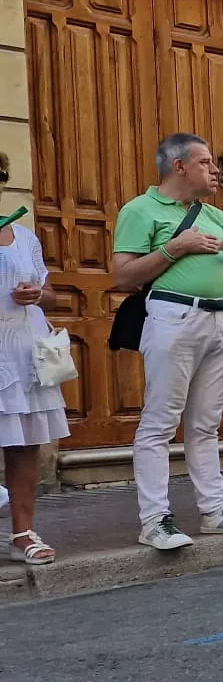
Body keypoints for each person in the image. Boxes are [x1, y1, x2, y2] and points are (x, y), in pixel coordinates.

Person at [112, 133, 223, 550]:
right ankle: (154, 520)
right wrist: (175, 248)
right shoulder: (139, 210)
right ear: (179, 166)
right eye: (205, 162)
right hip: (175, 317)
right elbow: (123, 276)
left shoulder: (215, 215)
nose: (216, 171)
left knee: (206, 424)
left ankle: (214, 511)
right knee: (160, 422)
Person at [0, 210, 66, 565]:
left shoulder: (25, 238)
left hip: (23, 349)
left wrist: (38, 293)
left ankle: (22, 534)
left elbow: (51, 296)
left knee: (24, 445)